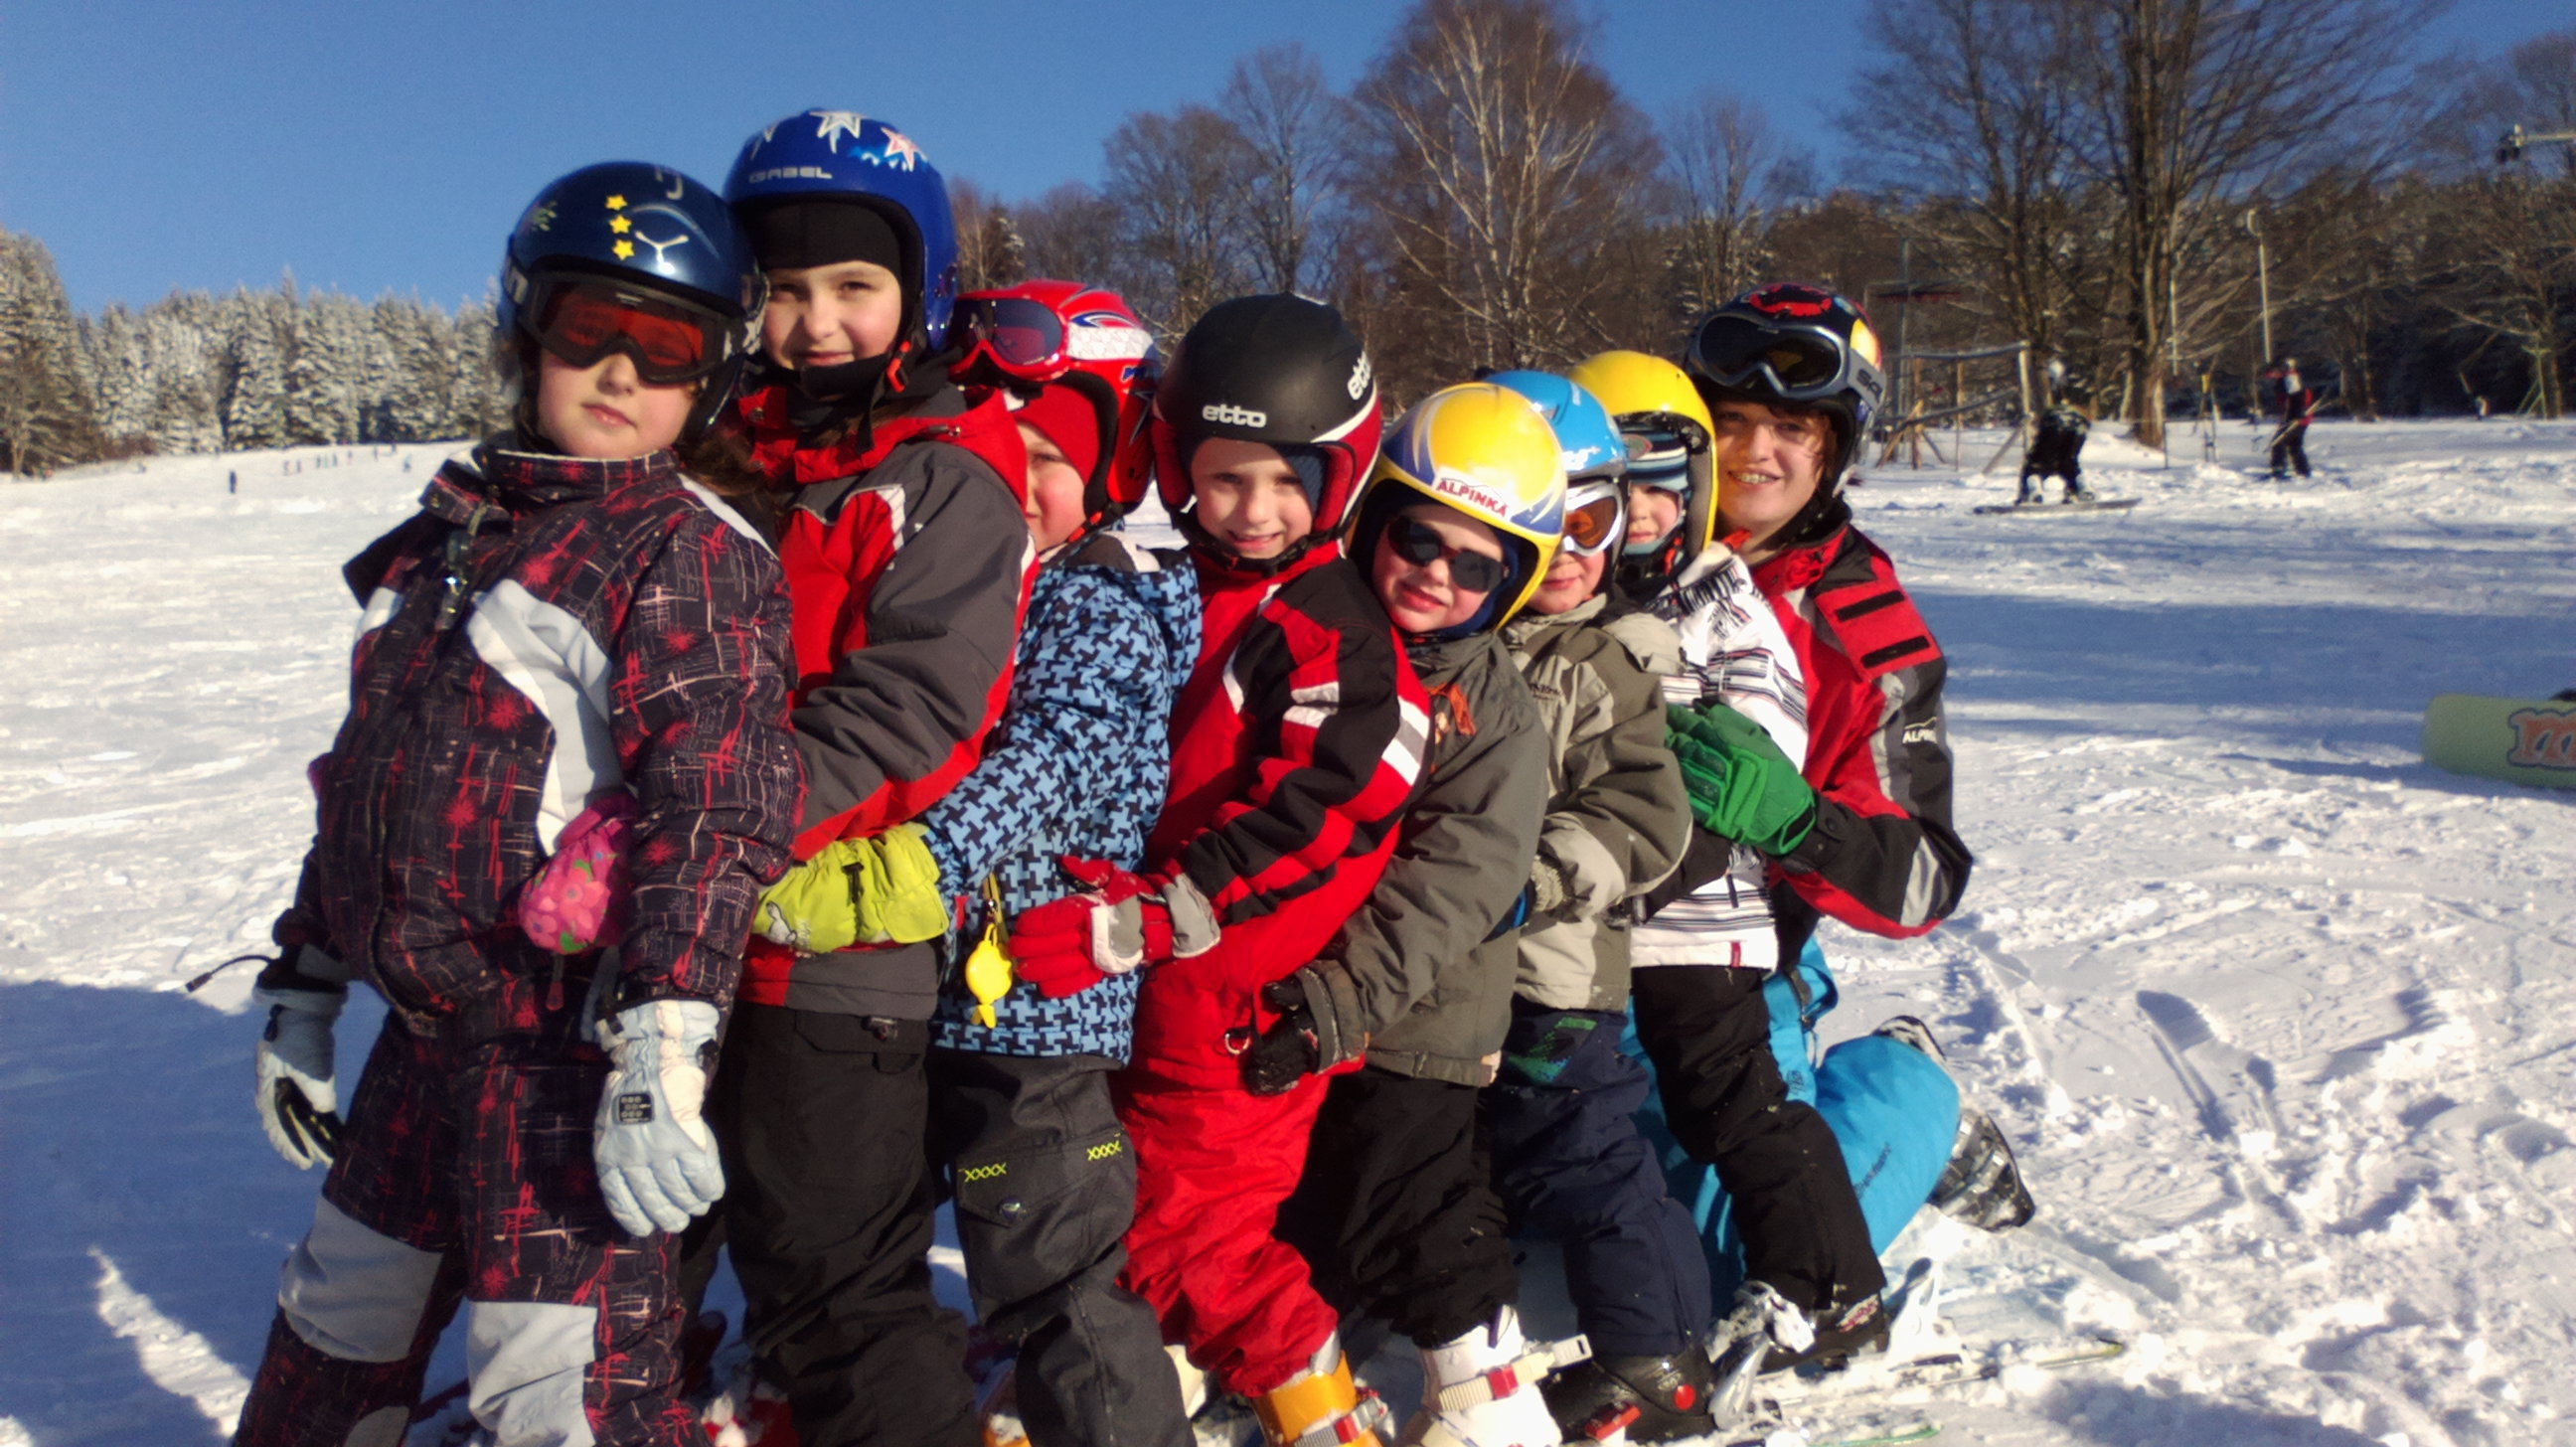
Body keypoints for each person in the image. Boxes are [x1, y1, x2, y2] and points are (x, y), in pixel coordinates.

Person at [230, 161, 798, 1447]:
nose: (618, 370)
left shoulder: (686, 551)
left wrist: (664, 1039)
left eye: (664, 346)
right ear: (524, 328)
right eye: (585, 326)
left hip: (562, 1047)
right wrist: (307, 979)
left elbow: (718, 803)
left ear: (708, 378)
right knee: (336, 1329)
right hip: (421, 1041)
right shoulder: (450, 543)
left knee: (564, 1390)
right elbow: (366, 785)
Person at [760, 279, 1198, 1447]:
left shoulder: (1096, 599)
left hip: (1042, 1014)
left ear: (1115, 472)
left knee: (1054, 1262)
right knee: (874, 1215)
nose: (1016, 471)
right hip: (939, 990)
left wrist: (913, 861)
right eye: (996, 439)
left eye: (1047, 452)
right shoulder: (978, 570)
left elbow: (1049, 764)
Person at [1003, 293, 1421, 1447]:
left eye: (1287, 481)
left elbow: (1324, 814)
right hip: (1150, 994)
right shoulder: (1178, 586)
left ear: (1339, 477)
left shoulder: (1334, 626)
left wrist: (1152, 913)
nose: (1252, 510)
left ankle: (1325, 1411)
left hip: (1230, 1010)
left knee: (1187, 1238)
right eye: (1225, 477)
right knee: (1106, 1210)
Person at [686, 108, 1038, 1447]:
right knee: (649, 1229)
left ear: (922, 292)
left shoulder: (943, 475)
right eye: (782, 290)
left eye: (853, 287)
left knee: (833, 1267)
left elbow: (916, 706)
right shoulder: (717, 457)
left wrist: (720, 826)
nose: (816, 321)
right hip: (683, 920)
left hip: (835, 941)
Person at [1648, 283, 1975, 1378]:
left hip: (1736, 971)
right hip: (1567, 952)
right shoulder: (1608, 536)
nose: (1753, 454)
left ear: (1833, 452)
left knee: (1735, 1268)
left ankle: (1906, 1093)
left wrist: (1795, 819)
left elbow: (1923, 878)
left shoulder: (1864, 629)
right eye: (1730, 421)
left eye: (1791, 429)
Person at [1255, 382, 1566, 1446]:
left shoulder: (1493, 715)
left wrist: (1338, 1002)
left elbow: (1456, 886)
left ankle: (1486, 1392)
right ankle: (1286, 1364)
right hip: (1296, 996)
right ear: (1371, 523)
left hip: (1415, 1023)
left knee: (1409, 1201)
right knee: (1300, 1201)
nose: (1436, 572)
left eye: (1475, 564)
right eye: (1416, 539)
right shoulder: (1316, 643)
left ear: (1509, 586)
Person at [1477, 372, 1713, 1443]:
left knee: (1587, 1151)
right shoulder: (1470, 642)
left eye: (1596, 521)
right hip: (1458, 973)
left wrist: (1540, 872)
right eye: (1547, 522)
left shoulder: (1609, 659)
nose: (1572, 549)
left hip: (1557, 972)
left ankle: (1655, 1351)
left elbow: (1647, 818)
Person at [1567, 350, 1715, 606]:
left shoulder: (1725, 603)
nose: (1637, 512)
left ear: (1693, 494)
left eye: (1657, 490)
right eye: (1620, 494)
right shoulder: (1552, 594)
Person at [2016, 376, 2093, 505]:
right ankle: (2081, 489)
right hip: (2079, 424)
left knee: (2036, 464)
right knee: (2068, 462)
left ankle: (2032, 492)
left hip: (2054, 424)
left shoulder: (2041, 396)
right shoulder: (2072, 395)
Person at [2269, 357, 2316, 480]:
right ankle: (2303, 471)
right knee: (2294, 444)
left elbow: (2298, 397)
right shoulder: (2287, 378)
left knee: (2279, 441)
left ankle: (2278, 470)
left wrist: (2297, 414)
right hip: (2297, 417)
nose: (2272, 374)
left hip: (2297, 417)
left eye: (2274, 371)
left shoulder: (2290, 378)